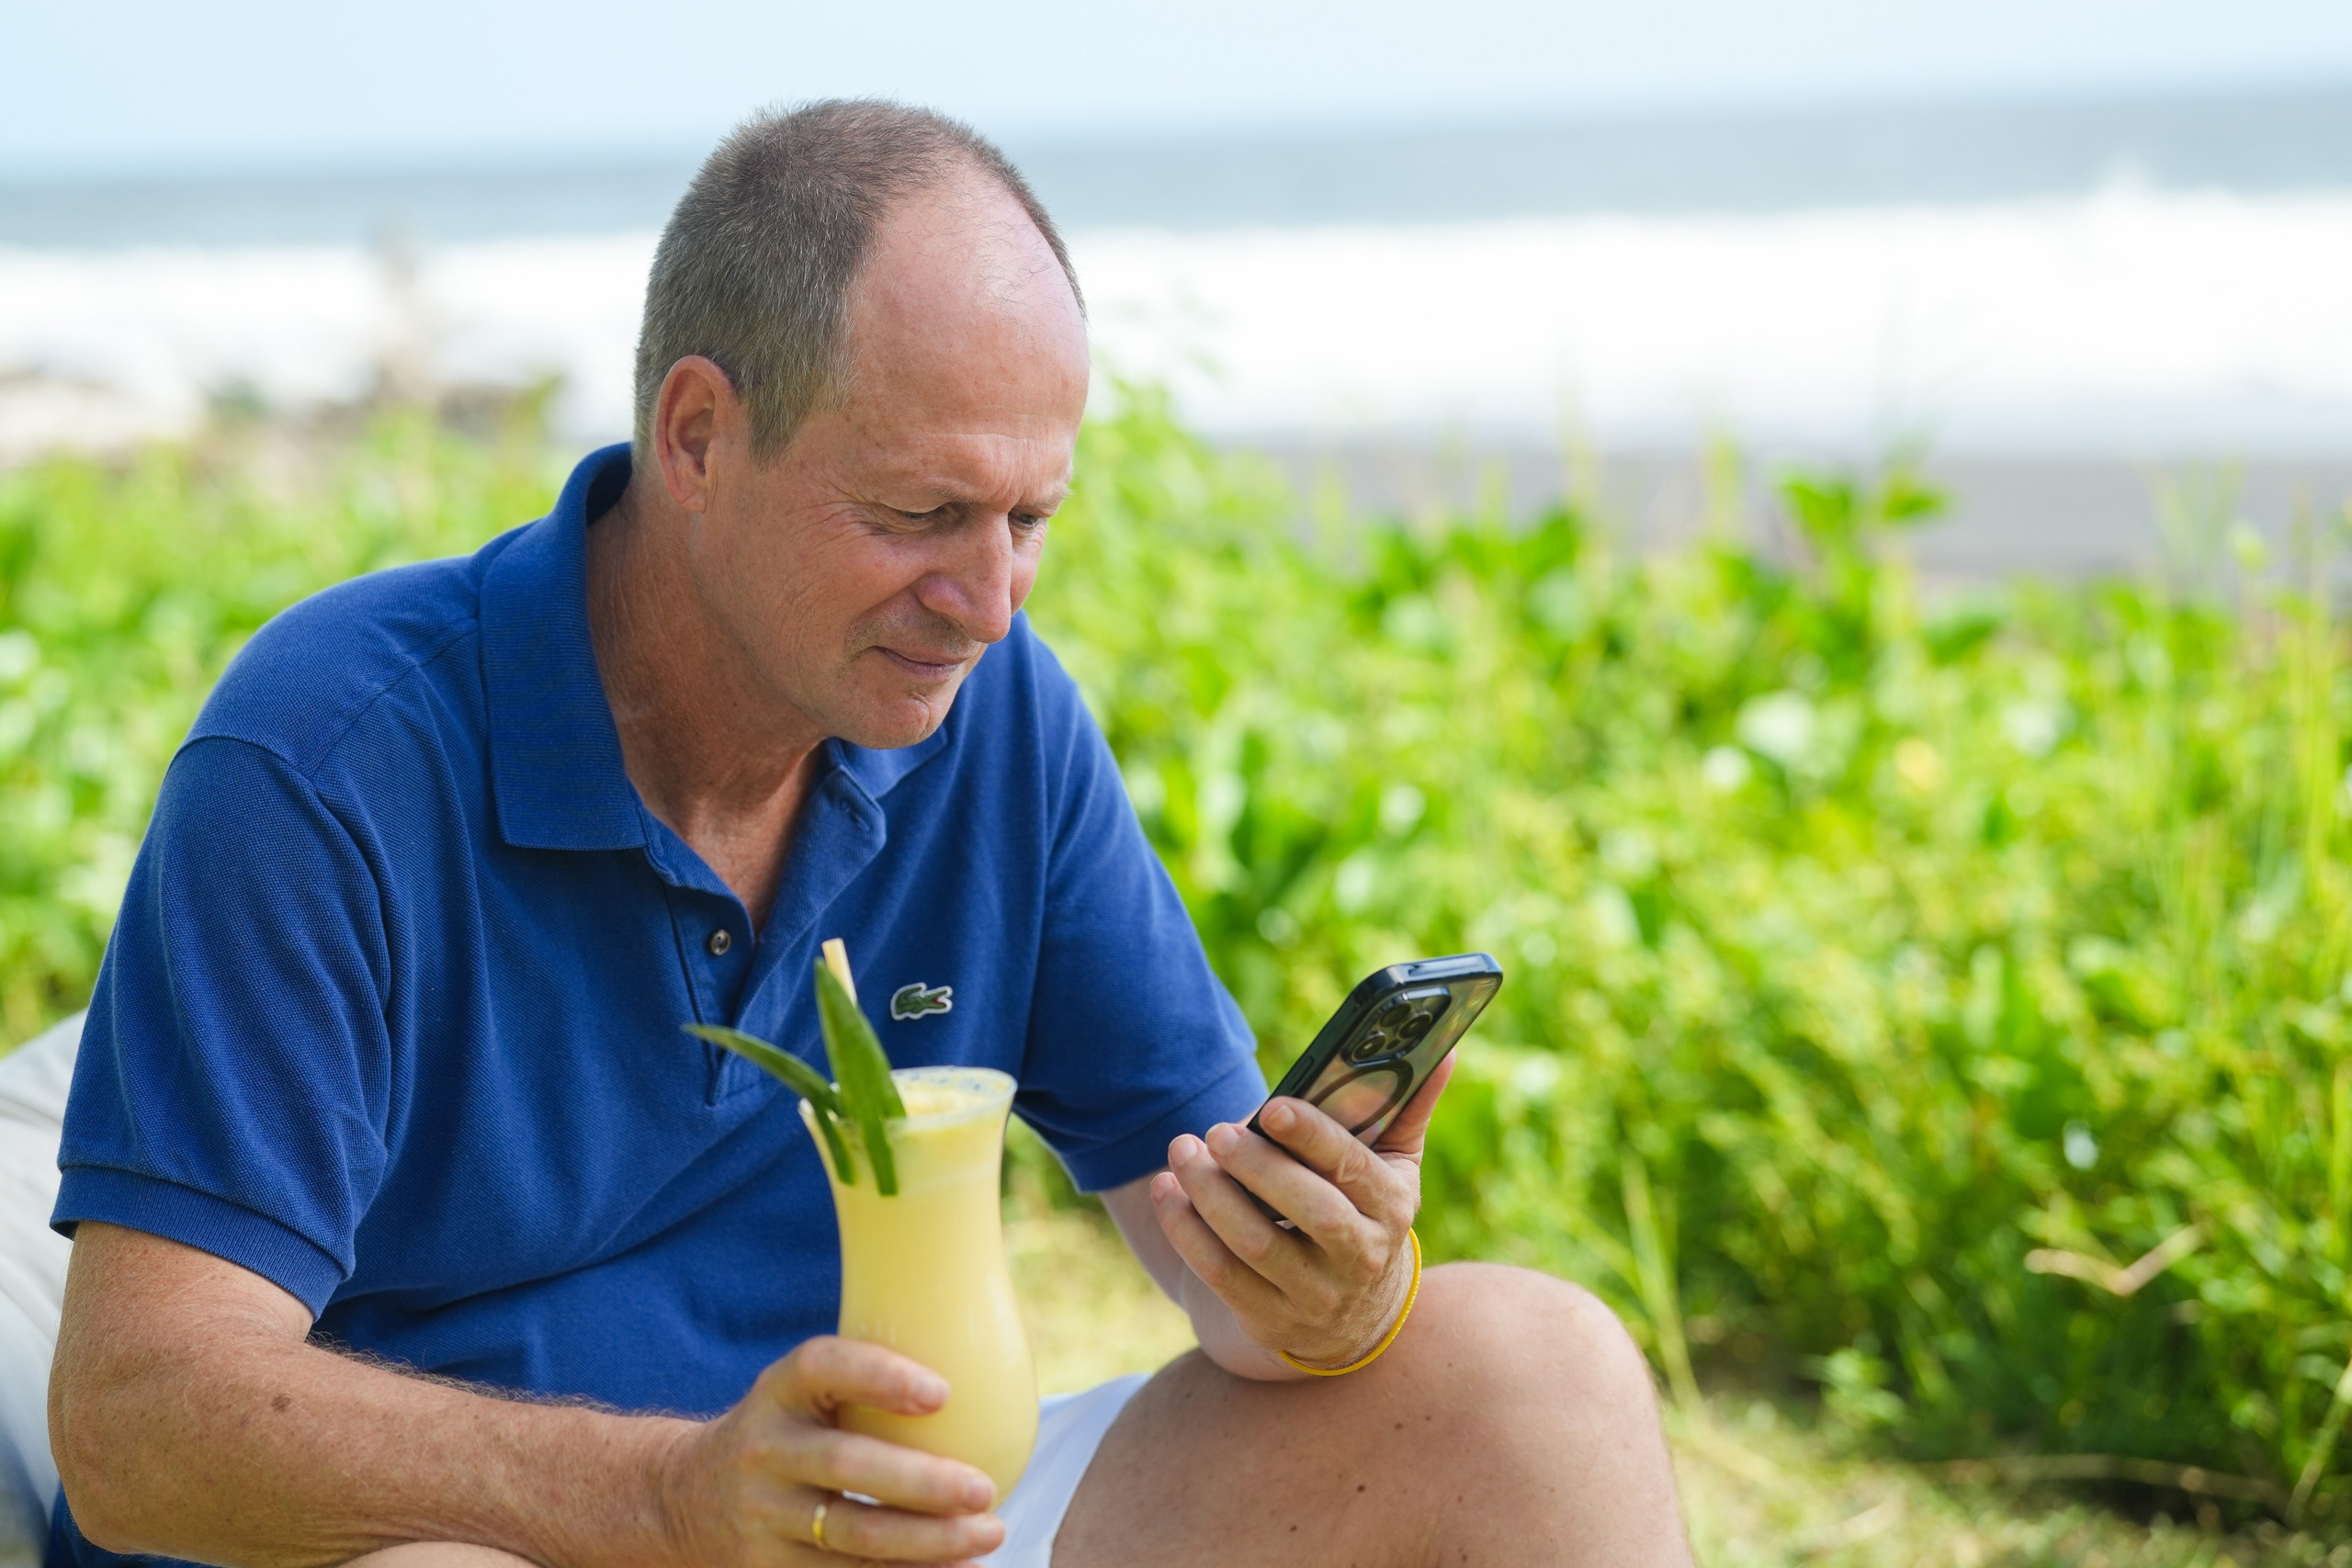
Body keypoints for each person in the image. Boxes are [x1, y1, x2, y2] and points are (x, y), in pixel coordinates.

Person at [44, 101, 1691, 1567]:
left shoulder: (993, 714)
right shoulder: (327, 754)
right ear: (698, 436)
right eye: (920, 514)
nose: (988, 602)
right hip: (485, 1538)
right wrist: (669, 1503)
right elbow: (133, 1424)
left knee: (1537, 1374)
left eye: (1029, 517)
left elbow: (1212, 1269)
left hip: (877, 1514)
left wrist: (1324, 1295)